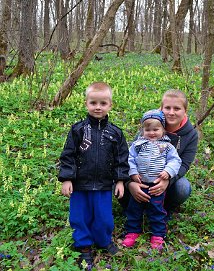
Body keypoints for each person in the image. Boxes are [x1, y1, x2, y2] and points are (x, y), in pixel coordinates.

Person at [58, 82, 129, 268]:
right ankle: (83, 245)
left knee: (104, 217)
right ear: (86, 104)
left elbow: (122, 159)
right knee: (79, 216)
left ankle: (103, 240)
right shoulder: (77, 130)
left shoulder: (116, 133)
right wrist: (67, 178)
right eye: (93, 103)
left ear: (110, 105)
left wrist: (120, 181)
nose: (98, 107)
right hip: (80, 185)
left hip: (104, 185)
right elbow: (68, 155)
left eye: (103, 103)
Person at [120, 89, 198, 219]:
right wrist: (130, 183)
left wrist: (168, 180)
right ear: (161, 108)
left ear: (185, 111)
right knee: (114, 177)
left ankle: (163, 209)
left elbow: (184, 164)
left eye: (177, 108)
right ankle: (131, 206)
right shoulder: (150, 125)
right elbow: (129, 157)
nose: (171, 112)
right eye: (167, 108)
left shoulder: (191, 134)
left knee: (183, 187)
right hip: (140, 177)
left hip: (163, 179)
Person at [122, 109, 182, 250]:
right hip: (139, 183)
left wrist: (168, 171)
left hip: (156, 185)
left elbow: (175, 161)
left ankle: (158, 234)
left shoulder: (167, 146)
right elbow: (129, 160)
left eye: (156, 129)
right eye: (148, 130)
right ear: (142, 130)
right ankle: (132, 232)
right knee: (134, 208)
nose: (152, 133)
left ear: (163, 130)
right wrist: (133, 173)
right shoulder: (137, 145)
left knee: (157, 209)